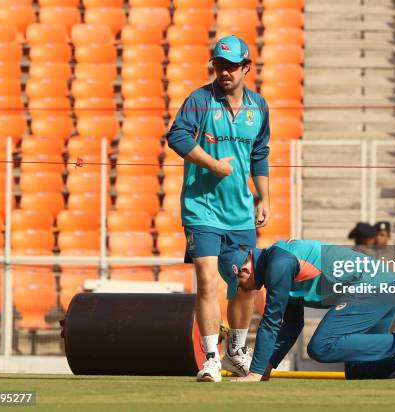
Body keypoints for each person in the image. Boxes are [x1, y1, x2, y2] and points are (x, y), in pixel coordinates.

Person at [166, 35, 271, 382]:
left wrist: (264, 198)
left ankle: (235, 352)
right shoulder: (199, 100)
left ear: (246, 68)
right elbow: (177, 137)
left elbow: (259, 154)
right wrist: (211, 164)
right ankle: (211, 357)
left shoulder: (259, 106)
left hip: (239, 212)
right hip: (201, 209)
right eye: (218, 66)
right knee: (207, 279)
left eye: (231, 66)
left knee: (246, 283)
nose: (224, 72)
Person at [217, 240, 395, 382]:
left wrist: (255, 372)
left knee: (322, 345)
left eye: (238, 283)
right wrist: (268, 367)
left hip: (373, 287)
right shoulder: (277, 260)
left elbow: (272, 321)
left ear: (244, 268)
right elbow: (290, 323)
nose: (242, 288)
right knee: (361, 371)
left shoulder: (277, 265)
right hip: (385, 287)